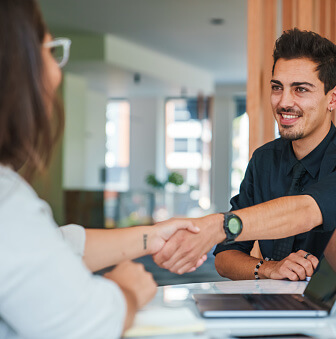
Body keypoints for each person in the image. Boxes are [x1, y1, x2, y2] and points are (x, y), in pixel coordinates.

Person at [0, 1, 204, 337]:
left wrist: (153, 235)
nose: (56, 72)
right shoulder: (7, 199)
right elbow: (87, 324)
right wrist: (125, 290)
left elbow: (50, 247)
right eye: (49, 51)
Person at [153, 29, 336, 281]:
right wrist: (268, 268)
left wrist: (219, 226)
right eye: (277, 87)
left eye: (301, 90)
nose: (284, 102)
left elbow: (306, 211)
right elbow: (225, 257)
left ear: (334, 97)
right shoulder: (264, 160)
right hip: (276, 311)